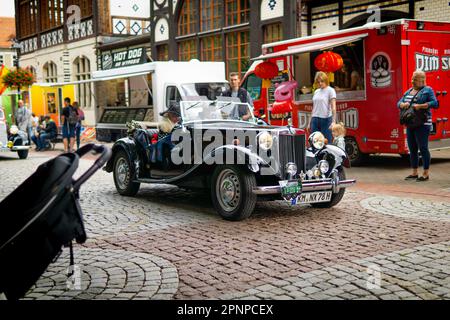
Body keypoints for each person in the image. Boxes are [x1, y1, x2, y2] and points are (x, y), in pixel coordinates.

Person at [398, 70, 438, 181]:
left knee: (423, 148)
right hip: (411, 123)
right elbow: (399, 102)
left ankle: (425, 173)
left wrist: (421, 106)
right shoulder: (409, 91)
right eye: (412, 78)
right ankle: (414, 172)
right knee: (412, 149)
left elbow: (435, 103)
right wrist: (402, 104)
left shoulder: (428, 90)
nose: (412, 81)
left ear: (422, 80)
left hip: (423, 123)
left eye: (415, 79)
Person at [308, 72, 337, 143]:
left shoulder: (331, 90)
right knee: (315, 143)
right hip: (315, 119)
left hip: (326, 119)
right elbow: (314, 108)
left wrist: (333, 122)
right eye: (318, 81)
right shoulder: (316, 91)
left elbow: (333, 107)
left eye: (322, 81)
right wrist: (309, 123)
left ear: (326, 80)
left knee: (327, 143)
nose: (320, 83)